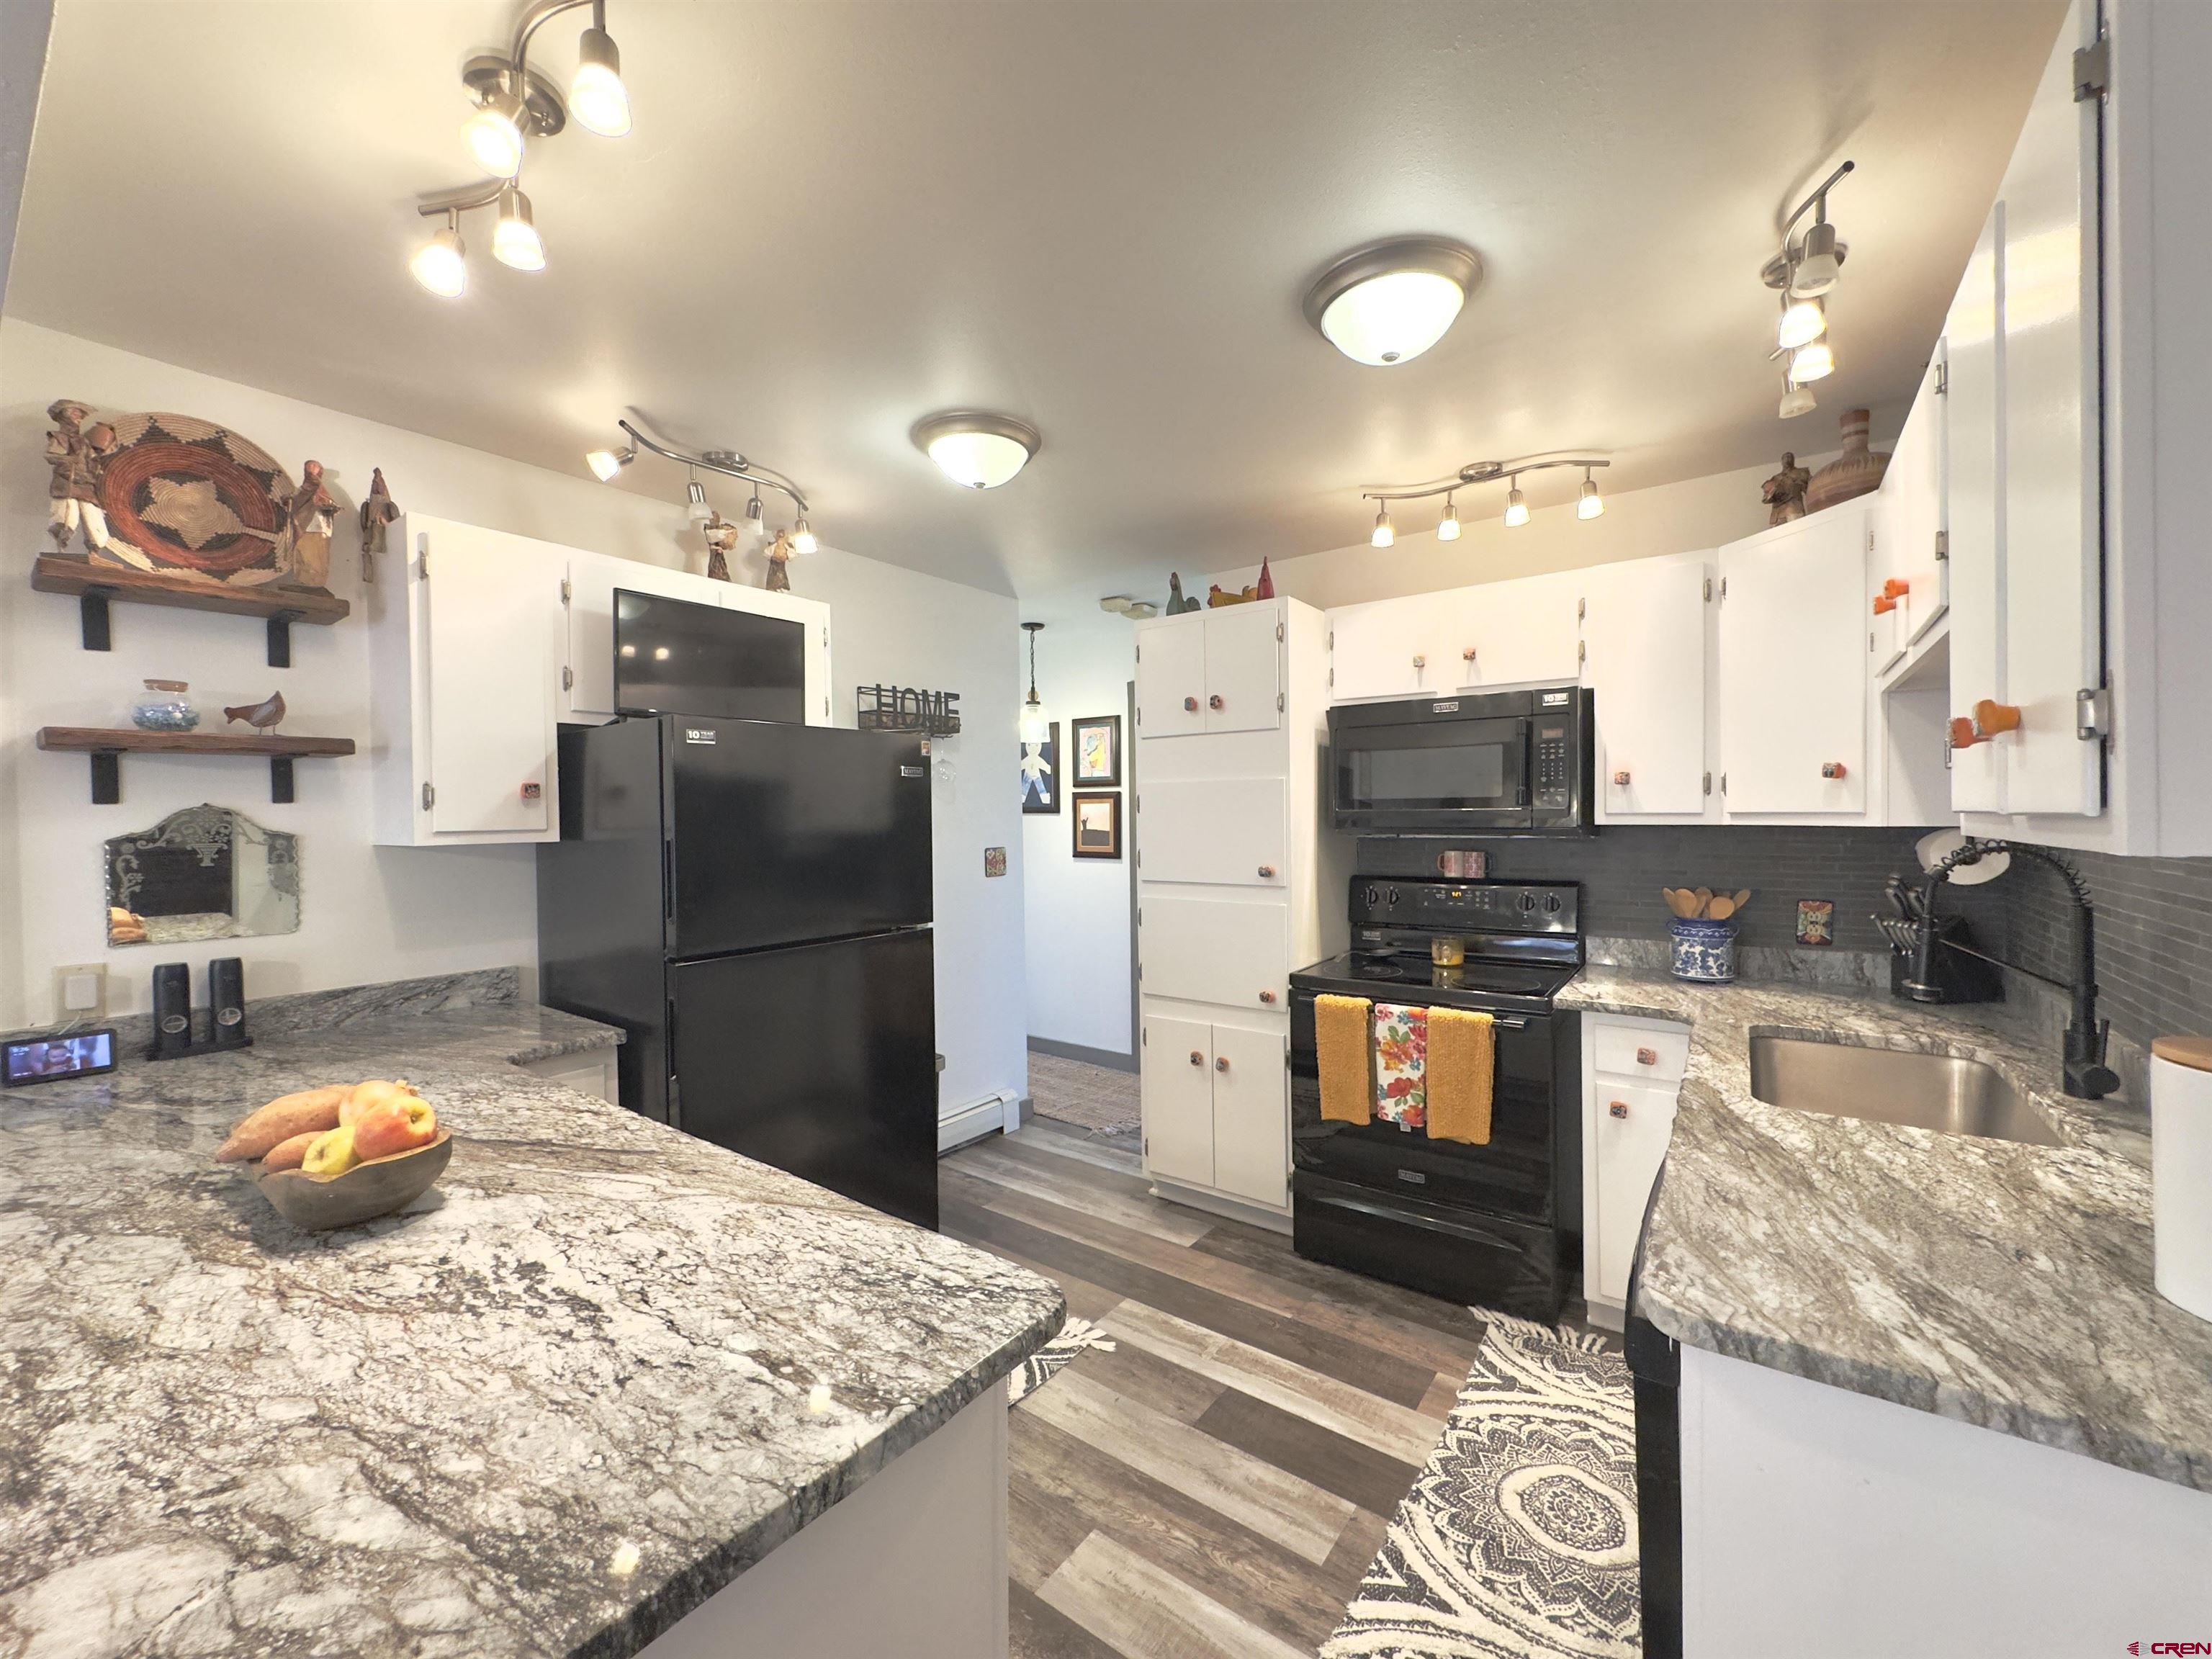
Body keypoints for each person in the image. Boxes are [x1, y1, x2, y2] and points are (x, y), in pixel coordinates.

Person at [45, 400, 119, 554]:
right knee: (66, 517)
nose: (78, 416)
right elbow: (51, 456)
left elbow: (94, 457)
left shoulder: (84, 440)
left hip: (86, 484)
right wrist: (69, 460)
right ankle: (61, 548)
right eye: (74, 412)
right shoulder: (59, 437)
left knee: (93, 518)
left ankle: (95, 550)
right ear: (63, 415)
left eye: (79, 414)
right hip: (68, 482)